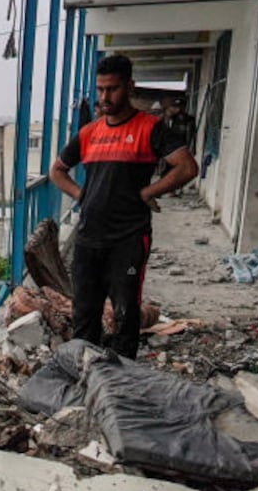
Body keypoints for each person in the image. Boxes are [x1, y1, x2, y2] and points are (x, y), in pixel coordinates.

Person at [50, 54, 197, 359]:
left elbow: (186, 167)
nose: (105, 96)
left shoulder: (150, 128)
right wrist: (82, 195)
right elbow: (56, 171)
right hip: (89, 236)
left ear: (129, 86)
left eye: (112, 89)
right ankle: (85, 375)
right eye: (101, 89)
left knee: (126, 311)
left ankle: (123, 379)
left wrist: (149, 191)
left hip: (128, 238)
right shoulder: (89, 133)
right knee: (84, 313)